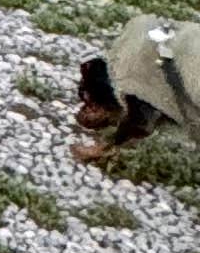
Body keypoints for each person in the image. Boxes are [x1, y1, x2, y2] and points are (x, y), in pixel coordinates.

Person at [75, 18, 200, 165]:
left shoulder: (132, 80)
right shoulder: (134, 49)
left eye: (92, 105)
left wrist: (107, 146)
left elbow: (141, 122)